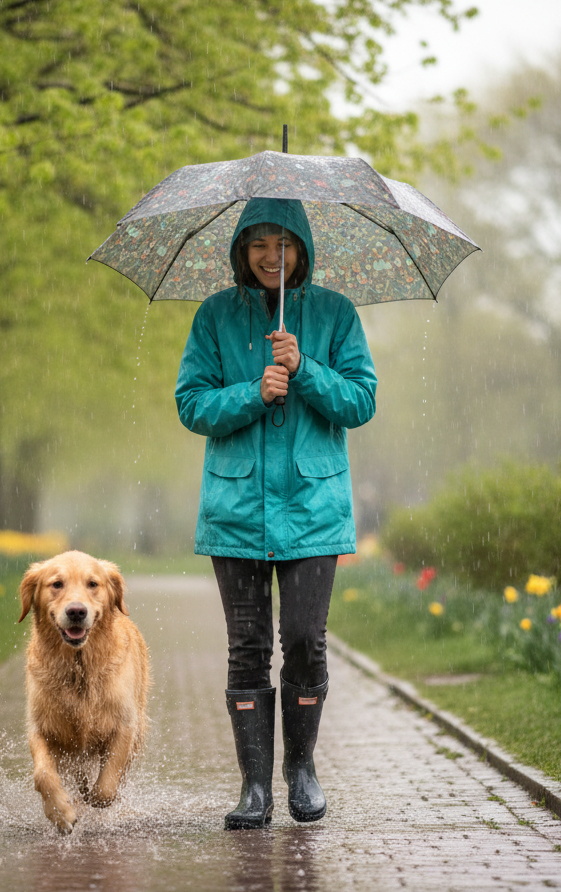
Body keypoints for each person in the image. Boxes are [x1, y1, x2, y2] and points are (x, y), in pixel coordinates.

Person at [175, 197, 377, 830]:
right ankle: (255, 787)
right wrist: (253, 392)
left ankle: (302, 769)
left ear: (302, 249)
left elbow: (361, 400)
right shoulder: (214, 316)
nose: (271, 256)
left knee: (305, 640)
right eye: (259, 243)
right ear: (242, 249)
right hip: (236, 509)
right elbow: (191, 404)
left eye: (283, 244)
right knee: (248, 647)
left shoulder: (336, 314)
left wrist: (304, 368)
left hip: (313, 509)